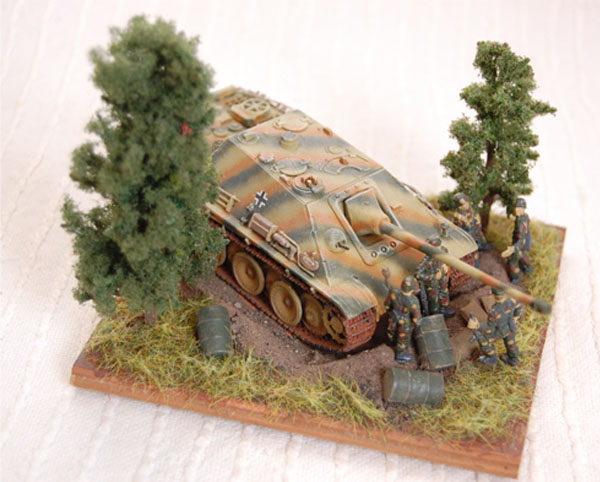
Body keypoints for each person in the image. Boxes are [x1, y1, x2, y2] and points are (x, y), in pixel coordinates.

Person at [467, 287, 522, 366]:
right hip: (511, 327)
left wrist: (477, 325)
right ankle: (513, 359)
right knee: (511, 343)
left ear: (493, 295)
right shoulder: (511, 301)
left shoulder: (495, 311)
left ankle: (492, 358)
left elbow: (490, 327)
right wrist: (515, 317)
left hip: (500, 331)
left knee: (483, 339)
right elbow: (520, 305)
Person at [385, 276, 421, 363]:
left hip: (393, 317)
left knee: (392, 331)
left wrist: (391, 312)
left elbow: (387, 305)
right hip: (405, 322)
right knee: (403, 338)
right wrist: (417, 323)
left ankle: (391, 342)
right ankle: (400, 354)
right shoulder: (413, 301)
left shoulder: (394, 292)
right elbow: (416, 319)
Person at [501, 197, 532, 283]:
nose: (516, 210)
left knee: (512, 262)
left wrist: (514, 248)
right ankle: (528, 267)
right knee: (522, 255)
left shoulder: (521, 222)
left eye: (519, 208)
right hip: (521, 242)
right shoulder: (523, 217)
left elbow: (522, 238)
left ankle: (516, 277)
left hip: (520, 243)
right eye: (516, 208)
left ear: (523, 209)